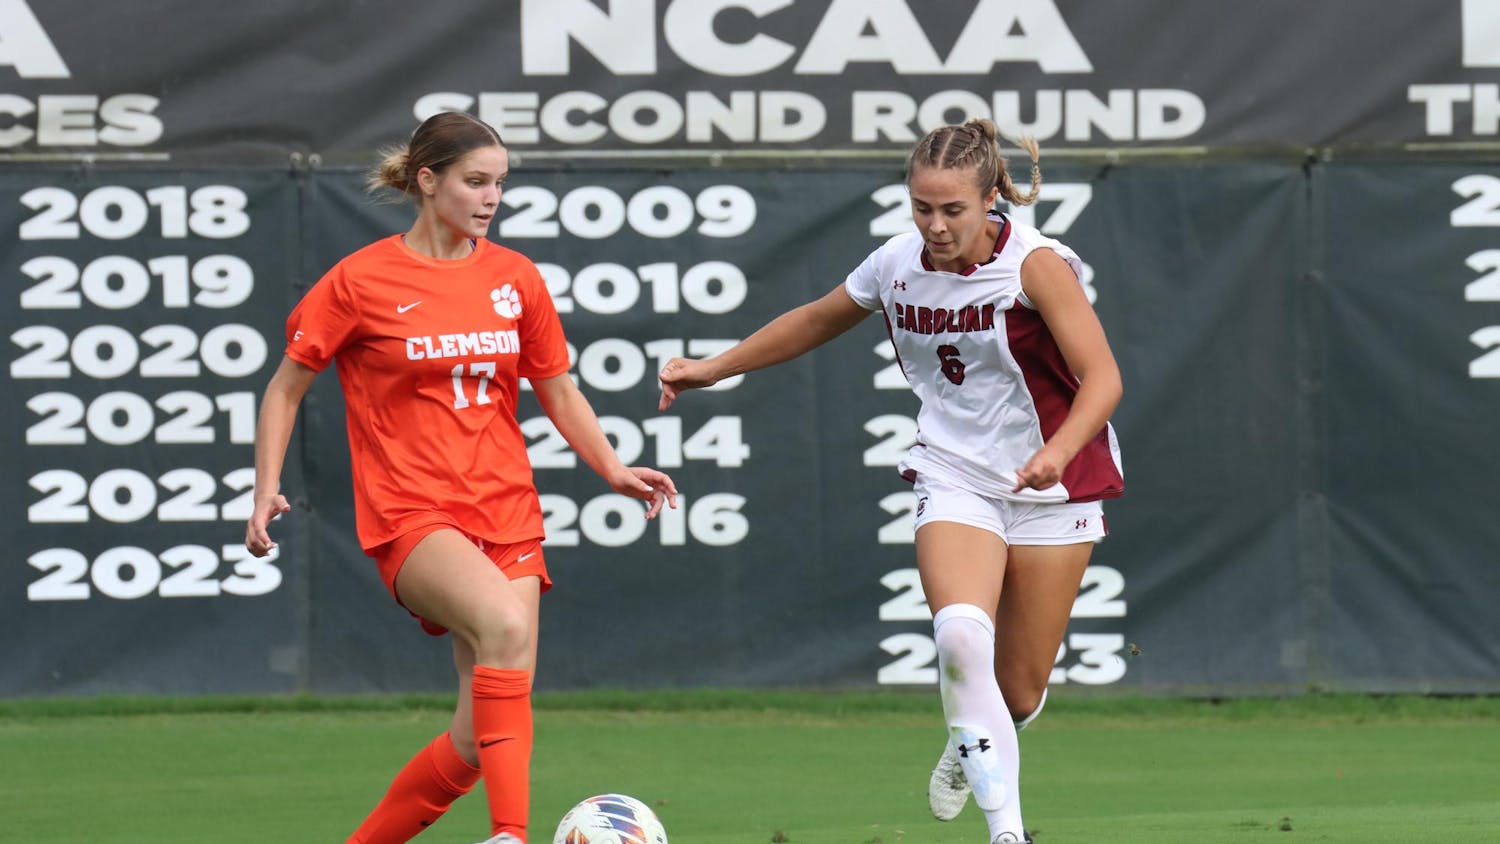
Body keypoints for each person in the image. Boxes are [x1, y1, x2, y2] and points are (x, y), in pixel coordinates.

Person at [657, 118, 1123, 844]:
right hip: (955, 472)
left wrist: (1059, 451)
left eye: (953, 209)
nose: (935, 225)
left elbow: (1103, 378)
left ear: (990, 197)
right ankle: (1009, 835)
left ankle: (970, 738)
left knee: (1018, 690)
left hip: (1052, 482)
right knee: (960, 635)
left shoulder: (1036, 266)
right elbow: (817, 319)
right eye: (922, 206)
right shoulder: (896, 263)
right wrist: (714, 368)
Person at [244, 111, 678, 844]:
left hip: (507, 509)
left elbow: (558, 389)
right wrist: (264, 489)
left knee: (477, 738)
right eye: (475, 181)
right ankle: (511, 835)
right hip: (412, 513)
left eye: (500, 185)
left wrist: (610, 468)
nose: (490, 198)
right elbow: (285, 387)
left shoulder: (515, 279)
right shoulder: (361, 280)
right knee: (505, 627)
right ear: (427, 180)